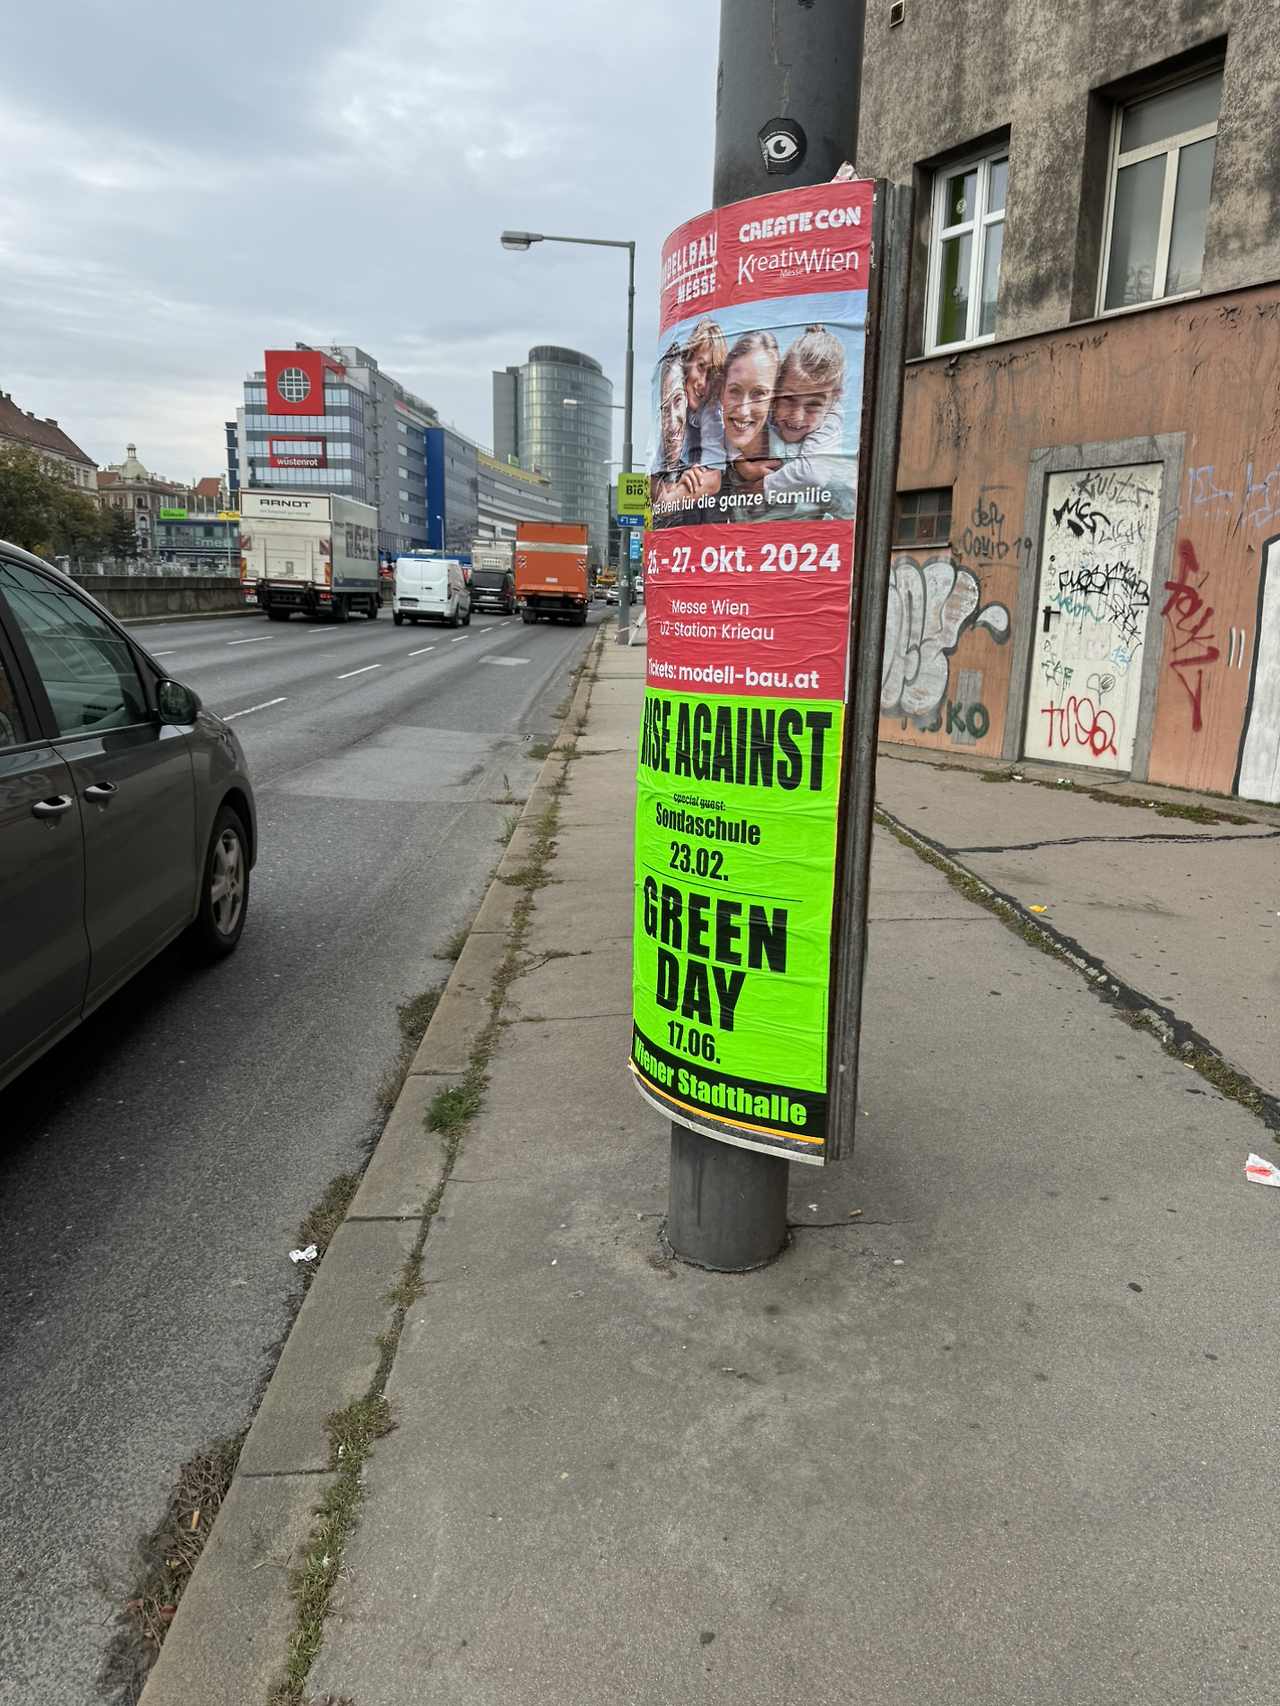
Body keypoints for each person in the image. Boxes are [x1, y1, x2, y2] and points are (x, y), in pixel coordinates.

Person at [675, 316, 727, 504]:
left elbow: (713, 476)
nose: (702, 383)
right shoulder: (670, 397)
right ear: (687, 363)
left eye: (711, 375)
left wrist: (672, 495)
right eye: (700, 366)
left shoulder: (710, 410)